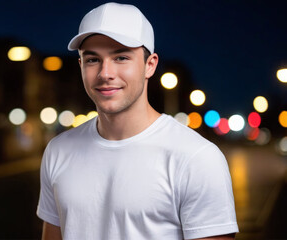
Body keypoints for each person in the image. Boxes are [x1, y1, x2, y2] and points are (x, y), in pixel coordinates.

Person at [37, 2, 239, 240]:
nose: (105, 73)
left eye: (121, 57)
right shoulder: (58, 150)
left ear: (149, 65)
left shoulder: (196, 157)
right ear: (81, 65)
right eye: (92, 60)